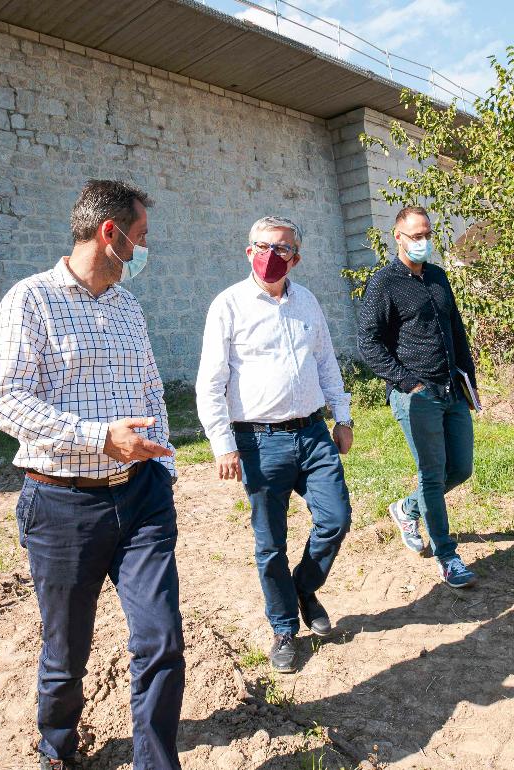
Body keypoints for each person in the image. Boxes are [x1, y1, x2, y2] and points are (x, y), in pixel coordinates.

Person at [0, 180, 184, 770]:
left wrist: (162, 462)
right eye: (141, 237)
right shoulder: (30, 301)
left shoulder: (127, 307)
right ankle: (58, 748)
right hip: (63, 507)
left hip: (142, 500)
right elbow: (4, 401)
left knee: (161, 640)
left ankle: (156, 762)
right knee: (65, 653)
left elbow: (153, 389)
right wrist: (99, 437)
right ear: (110, 233)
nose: (145, 250)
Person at [195, 216, 354, 674]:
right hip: (258, 442)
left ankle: (304, 587)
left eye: (281, 249)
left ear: (296, 258)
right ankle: (284, 628)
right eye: (262, 246)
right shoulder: (227, 306)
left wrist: (341, 417)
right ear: (248, 252)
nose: (270, 255)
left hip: (311, 433)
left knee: (335, 519)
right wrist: (223, 444)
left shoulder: (306, 302)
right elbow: (211, 382)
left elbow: (325, 362)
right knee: (270, 545)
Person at [357, 205, 479, 589]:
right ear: (398, 236)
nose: (423, 242)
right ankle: (447, 556)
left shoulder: (439, 278)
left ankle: (406, 509)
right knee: (431, 474)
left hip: (451, 389)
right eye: (415, 236)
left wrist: (470, 381)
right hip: (416, 395)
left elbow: (455, 331)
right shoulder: (384, 284)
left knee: (459, 469)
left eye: (427, 235)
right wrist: (407, 382)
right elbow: (368, 343)